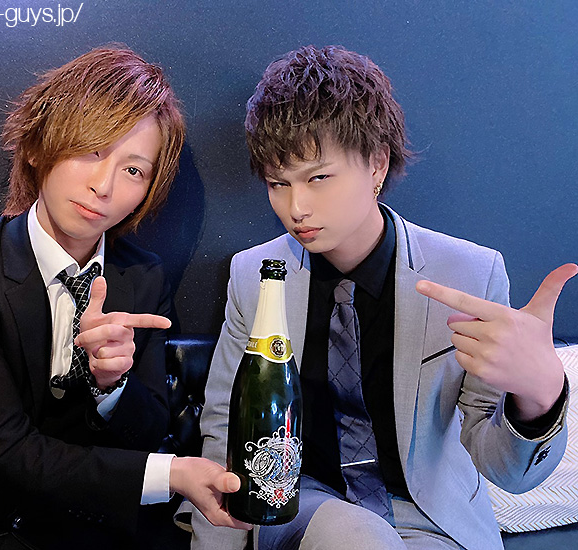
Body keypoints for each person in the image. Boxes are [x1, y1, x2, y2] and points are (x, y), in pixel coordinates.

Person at [0, 45, 247, 550]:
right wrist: (174, 474)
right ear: (37, 147)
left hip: (77, 528)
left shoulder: (142, 278)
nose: (103, 186)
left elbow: (144, 434)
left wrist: (111, 384)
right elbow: (3, 456)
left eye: (133, 170)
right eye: (91, 151)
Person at [189, 45, 576, 550]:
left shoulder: (468, 275)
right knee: (355, 535)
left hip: (429, 520)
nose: (295, 207)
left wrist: (540, 397)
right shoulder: (256, 275)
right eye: (278, 184)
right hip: (301, 508)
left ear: (376, 164)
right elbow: (225, 428)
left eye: (318, 178)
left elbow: (503, 468)